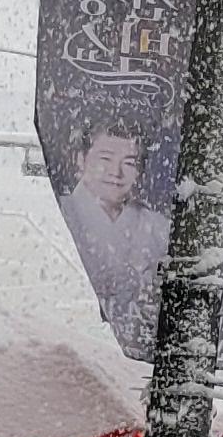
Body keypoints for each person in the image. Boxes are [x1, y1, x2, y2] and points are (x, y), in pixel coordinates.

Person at [57, 118, 170, 355]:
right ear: (80, 159)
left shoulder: (159, 228)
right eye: (105, 159)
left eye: (128, 163)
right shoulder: (58, 214)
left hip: (140, 348)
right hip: (68, 339)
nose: (115, 172)